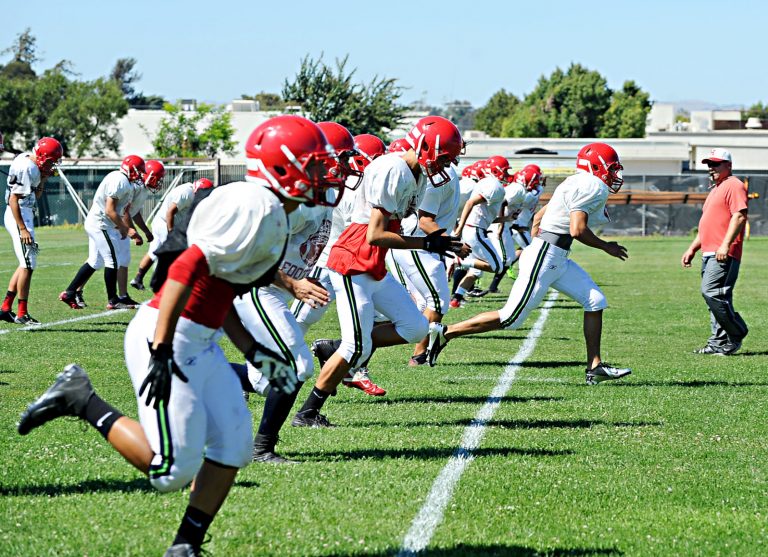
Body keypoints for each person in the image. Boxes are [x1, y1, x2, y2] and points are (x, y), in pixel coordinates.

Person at [16, 114, 342, 556]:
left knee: (233, 448)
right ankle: (80, 399)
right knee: (169, 471)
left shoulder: (274, 212)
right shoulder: (255, 207)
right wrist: (162, 347)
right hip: (168, 331)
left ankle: (185, 547)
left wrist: (253, 351)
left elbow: (226, 290)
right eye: (316, 165)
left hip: (200, 338)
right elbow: (186, 269)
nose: (324, 174)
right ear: (283, 165)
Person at [291, 116, 465, 428]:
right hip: (353, 260)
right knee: (355, 346)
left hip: (373, 263)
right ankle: (307, 413)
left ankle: (335, 347)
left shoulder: (416, 174)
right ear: (426, 147)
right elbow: (374, 234)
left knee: (416, 328)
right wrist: (427, 242)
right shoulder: (393, 169)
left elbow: (391, 231)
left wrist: (432, 241)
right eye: (444, 158)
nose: (445, 165)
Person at [427, 142, 632, 386]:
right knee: (511, 318)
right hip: (547, 255)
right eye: (611, 168)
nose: (614, 174)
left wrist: (536, 244)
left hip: (552, 255)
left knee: (595, 300)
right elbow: (577, 229)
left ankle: (595, 367)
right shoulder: (592, 184)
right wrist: (606, 246)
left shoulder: (575, 181)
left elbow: (540, 215)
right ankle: (446, 333)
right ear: (596, 165)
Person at [682, 148, 749, 355]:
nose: (711, 168)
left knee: (712, 293)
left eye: (716, 164)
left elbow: (739, 216)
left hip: (723, 252)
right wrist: (692, 248)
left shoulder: (734, 185)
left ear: (728, 165)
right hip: (709, 252)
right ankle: (718, 343)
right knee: (715, 300)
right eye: (709, 164)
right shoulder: (716, 189)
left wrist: (725, 245)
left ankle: (737, 332)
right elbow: (707, 225)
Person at [59, 155, 148, 310]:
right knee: (112, 261)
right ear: (131, 169)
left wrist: (121, 227)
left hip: (100, 223)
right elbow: (109, 210)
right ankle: (113, 300)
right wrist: (126, 229)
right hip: (101, 224)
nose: (140, 175)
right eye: (139, 171)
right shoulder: (120, 180)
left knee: (95, 261)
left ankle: (69, 292)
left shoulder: (123, 180)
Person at [1, 137, 63, 324]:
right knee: (28, 265)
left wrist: (43, 177)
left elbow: (36, 194)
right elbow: (13, 199)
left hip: (24, 212)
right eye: (51, 161)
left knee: (25, 263)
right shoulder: (27, 167)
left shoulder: (28, 161)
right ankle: (22, 313)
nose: (52, 165)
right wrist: (23, 229)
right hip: (19, 215)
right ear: (42, 156)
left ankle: (5, 308)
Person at [131, 178, 214, 291]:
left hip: (162, 221)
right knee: (171, 255)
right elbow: (170, 212)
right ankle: (162, 283)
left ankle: (138, 279)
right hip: (165, 223)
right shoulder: (186, 193)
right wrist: (171, 232)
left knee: (153, 252)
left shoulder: (190, 191)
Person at [449, 156, 510, 307]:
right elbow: (470, 203)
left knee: (476, 271)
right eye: (505, 171)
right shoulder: (494, 185)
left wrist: (507, 219)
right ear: (496, 170)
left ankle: (456, 298)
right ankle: (461, 261)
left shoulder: (488, 183)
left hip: (475, 229)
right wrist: (459, 228)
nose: (507, 175)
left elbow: (485, 217)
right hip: (475, 231)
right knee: (498, 267)